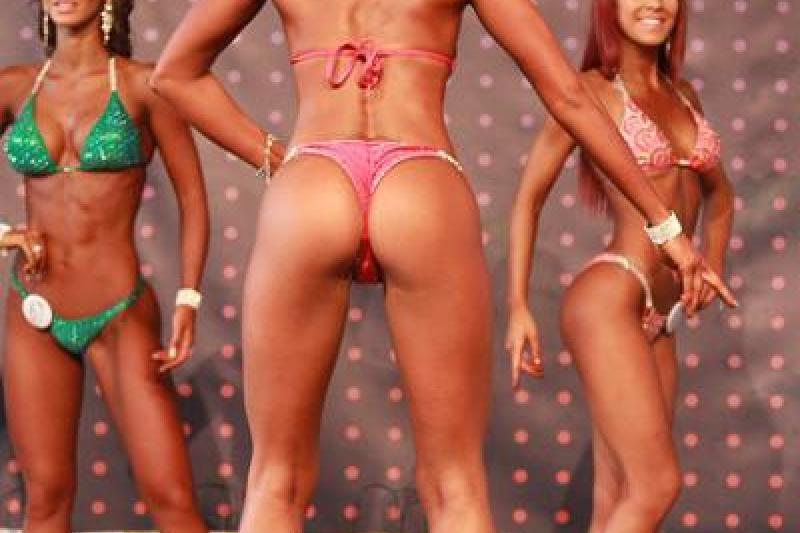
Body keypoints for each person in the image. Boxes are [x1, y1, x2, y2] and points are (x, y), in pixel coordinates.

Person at [150, 1, 734, 532]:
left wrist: (277, 157)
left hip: (312, 184)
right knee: (455, 485)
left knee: (274, 481)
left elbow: (174, 73)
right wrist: (666, 226)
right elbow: (567, 95)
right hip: (420, 180)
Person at [506, 1, 736, 532]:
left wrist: (712, 264)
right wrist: (517, 304)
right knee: (657, 485)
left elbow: (721, 196)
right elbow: (528, 198)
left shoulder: (684, 95)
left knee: (619, 493)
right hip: (611, 293)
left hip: (661, 317)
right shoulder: (588, 91)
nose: (654, 2)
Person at [0, 1, 210, 532]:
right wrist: (5, 235)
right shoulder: (16, 86)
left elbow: (193, 198)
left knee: (172, 500)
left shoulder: (144, 86)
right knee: (45, 501)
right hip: (33, 309)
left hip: (118, 311)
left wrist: (188, 299)